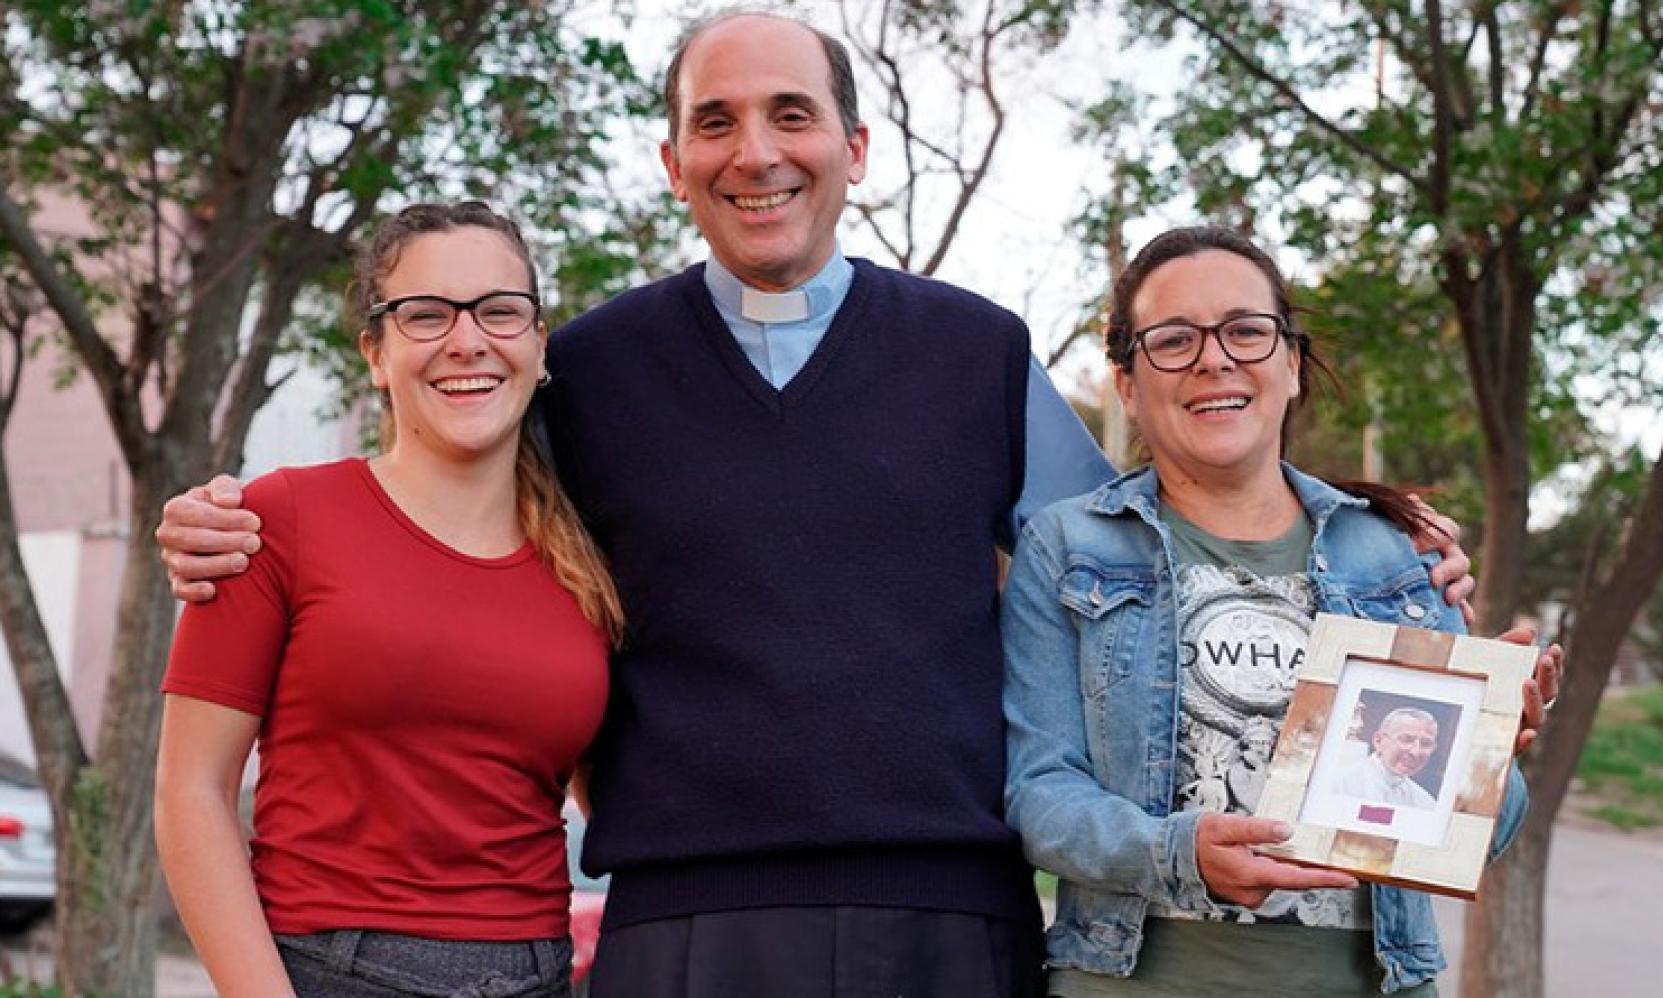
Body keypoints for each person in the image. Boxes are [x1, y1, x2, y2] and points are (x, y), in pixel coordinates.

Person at [154, 13, 1475, 996]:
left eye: (791, 115)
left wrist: (1371, 565)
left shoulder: (974, 349)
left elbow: (1145, 567)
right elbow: (439, 510)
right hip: (680, 927)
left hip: (950, 918)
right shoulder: (589, 370)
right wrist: (232, 517)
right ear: (672, 160)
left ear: (852, 145)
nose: (756, 152)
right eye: (715, 123)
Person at [1001, 226, 1563, 997]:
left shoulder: (1394, 552)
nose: (1214, 358)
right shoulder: (1068, 547)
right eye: (1173, 339)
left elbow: (1484, 838)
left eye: (1245, 330)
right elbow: (1040, 794)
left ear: (1291, 363)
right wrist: (1178, 850)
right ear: (1127, 384)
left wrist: (1495, 759)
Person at [154, 202, 622, 997]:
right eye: (426, 315)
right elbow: (189, 794)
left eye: (499, 311)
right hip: (332, 970)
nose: (467, 340)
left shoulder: (588, 562)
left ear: (539, 345)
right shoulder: (275, 520)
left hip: (539, 974)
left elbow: (607, 796)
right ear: (375, 351)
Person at [1333, 708, 1441, 809]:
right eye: (1406, 739)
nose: (1415, 752)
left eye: (1426, 744)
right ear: (1378, 741)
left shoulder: (1426, 803)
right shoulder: (1338, 784)